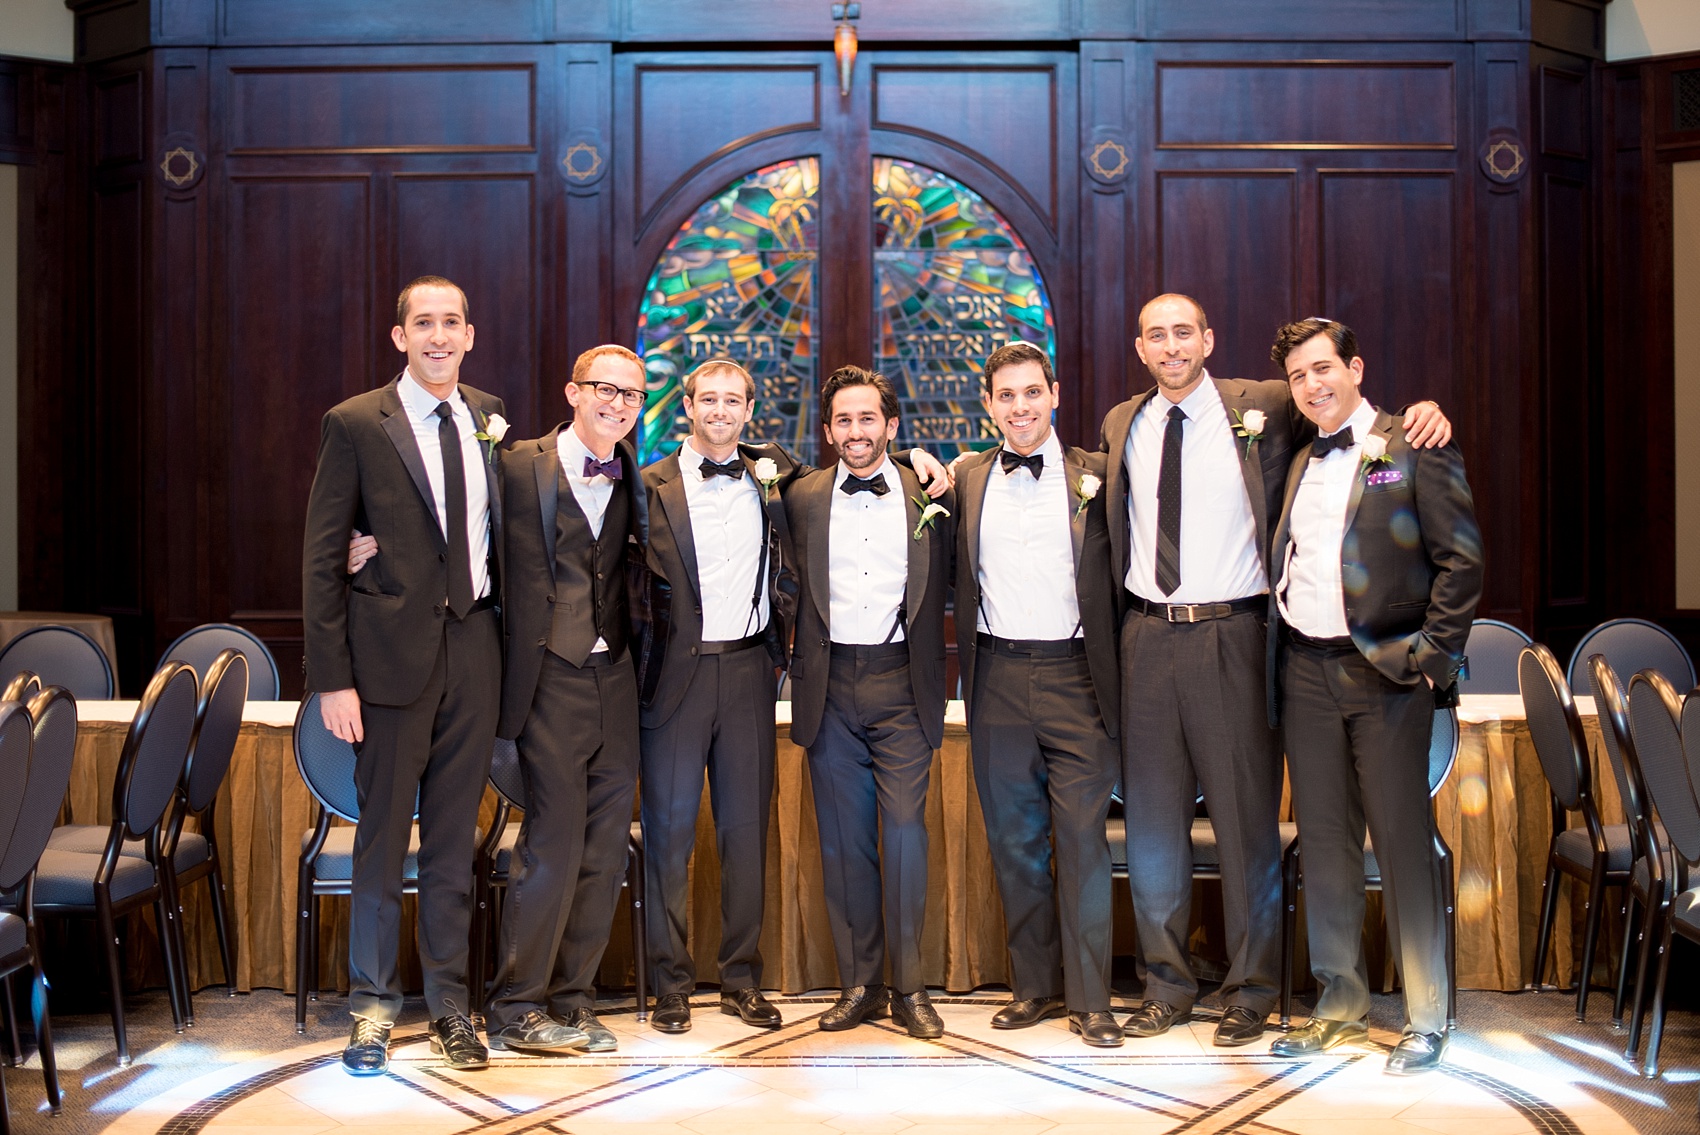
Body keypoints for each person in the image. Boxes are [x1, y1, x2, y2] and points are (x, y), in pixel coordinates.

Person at [1101, 294, 1452, 1047]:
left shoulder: (1269, 407)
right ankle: (1175, 986)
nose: (1172, 347)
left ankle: (1258, 988)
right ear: (1139, 347)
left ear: (1208, 339)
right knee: (1168, 827)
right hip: (1163, 637)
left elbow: (1445, 540)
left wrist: (1424, 410)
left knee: (1250, 823)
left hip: (1241, 634)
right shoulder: (1122, 422)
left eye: (1184, 333)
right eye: (1156, 336)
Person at [1264, 318, 1481, 1074]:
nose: (1313, 385)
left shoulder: (1413, 442)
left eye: (1324, 368)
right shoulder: (1297, 457)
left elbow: (1462, 562)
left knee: (1400, 845)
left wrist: (1430, 661)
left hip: (1388, 678)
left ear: (1354, 366)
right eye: (1299, 376)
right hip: (1304, 673)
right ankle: (1340, 1006)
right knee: (1324, 845)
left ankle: (1426, 1015)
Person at [302, 276, 503, 1075]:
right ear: (400, 337)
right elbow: (323, 555)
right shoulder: (356, 423)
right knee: (383, 842)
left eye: (451, 321)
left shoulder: (488, 414)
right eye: (424, 323)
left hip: (476, 655)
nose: (439, 336)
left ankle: (453, 1006)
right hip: (384, 666)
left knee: (455, 845)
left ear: (470, 331)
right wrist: (332, 677)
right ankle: (374, 1006)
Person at [952, 342, 1122, 1047]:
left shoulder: (1101, 477)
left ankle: (1091, 999)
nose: (1020, 407)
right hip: (994, 677)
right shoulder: (964, 479)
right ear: (988, 405)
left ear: (1054, 393)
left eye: (1031, 392)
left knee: (1081, 838)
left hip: (1077, 675)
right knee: (1016, 841)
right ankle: (1036, 987)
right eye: (1006, 395)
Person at [482, 344, 649, 1055]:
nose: (617, 403)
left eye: (632, 395)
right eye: (604, 389)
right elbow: (453, 528)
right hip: (547, 676)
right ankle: (516, 1006)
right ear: (572, 391)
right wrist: (363, 545)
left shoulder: (638, 472)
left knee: (605, 849)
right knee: (551, 844)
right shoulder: (516, 465)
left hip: (617, 681)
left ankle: (571, 999)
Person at [784, 366, 955, 1038]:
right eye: (843, 421)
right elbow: (743, 454)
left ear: (891, 425)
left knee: (907, 836)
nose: (856, 432)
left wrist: (922, 458)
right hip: (828, 685)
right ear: (828, 431)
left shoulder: (933, 489)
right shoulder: (799, 494)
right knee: (844, 842)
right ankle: (861, 983)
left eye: (868, 419)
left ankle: (910, 987)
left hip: (902, 683)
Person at [637, 359, 799, 1033]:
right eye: (709, 398)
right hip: (674, 677)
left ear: (749, 408)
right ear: (689, 405)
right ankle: (670, 982)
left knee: (744, 834)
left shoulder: (777, 479)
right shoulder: (648, 484)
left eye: (734, 400)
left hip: (748, 676)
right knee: (669, 838)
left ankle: (741, 978)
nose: (721, 410)